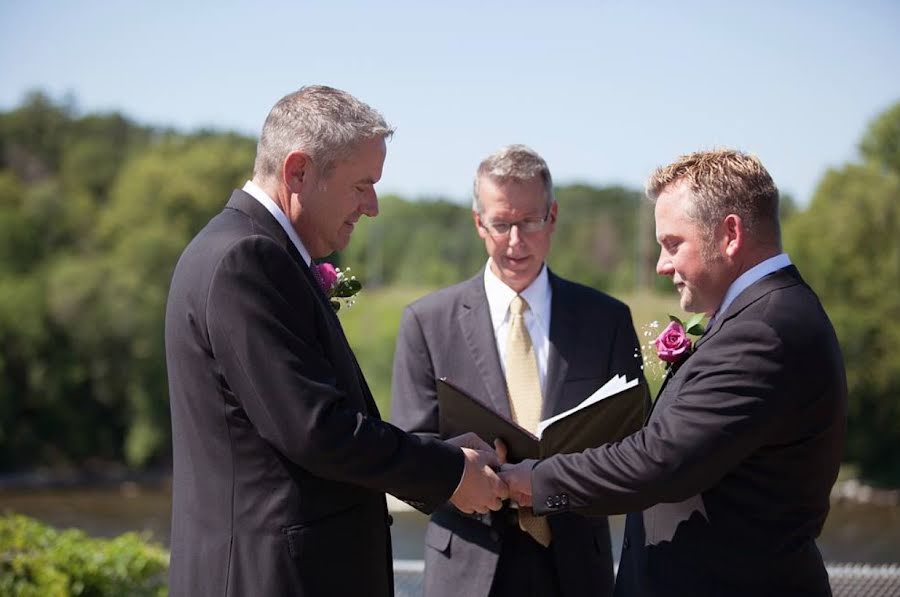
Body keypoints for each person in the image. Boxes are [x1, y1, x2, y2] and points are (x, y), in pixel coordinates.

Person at [165, 85, 508, 597]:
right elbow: (316, 431)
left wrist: (433, 452)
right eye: (361, 185)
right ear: (298, 171)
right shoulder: (247, 260)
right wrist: (450, 473)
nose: (371, 206)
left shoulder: (248, 250)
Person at [500, 149, 848, 596]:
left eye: (673, 244)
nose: (663, 265)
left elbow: (660, 460)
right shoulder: (768, 315)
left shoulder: (763, 331)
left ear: (730, 234)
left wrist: (536, 479)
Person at [391, 144, 647, 597]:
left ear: (553, 217)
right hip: (467, 567)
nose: (515, 240)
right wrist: (462, 473)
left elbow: (634, 449)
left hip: (576, 568)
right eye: (501, 223)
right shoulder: (426, 322)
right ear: (478, 223)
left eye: (529, 221)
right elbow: (412, 452)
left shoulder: (606, 319)